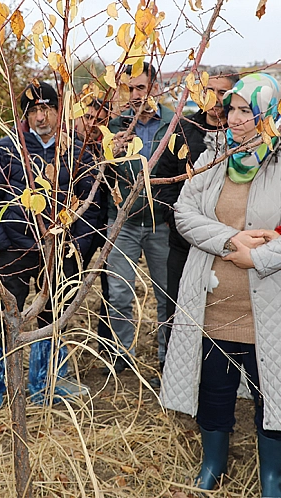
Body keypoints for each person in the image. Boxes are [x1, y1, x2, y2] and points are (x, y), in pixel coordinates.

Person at [160, 73, 281, 496]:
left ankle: (272, 476)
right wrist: (228, 239)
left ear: (271, 115)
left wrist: (258, 257)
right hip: (213, 305)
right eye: (231, 108)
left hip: (275, 309)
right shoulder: (213, 157)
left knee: (271, 395)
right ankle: (213, 463)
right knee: (213, 391)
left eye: (245, 111)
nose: (233, 118)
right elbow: (184, 213)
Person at [0, 80, 100, 415]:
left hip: (61, 250)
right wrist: (1, 243)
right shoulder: (7, 148)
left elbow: (91, 203)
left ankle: (47, 384)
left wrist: (77, 247)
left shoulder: (78, 150)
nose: (40, 117)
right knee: (4, 316)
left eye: (46, 108)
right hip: (15, 249)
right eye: (33, 110)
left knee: (55, 317)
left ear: (59, 111)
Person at [153, 66, 239, 375]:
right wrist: (175, 218)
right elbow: (160, 180)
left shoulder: (243, 134)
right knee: (176, 306)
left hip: (230, 246)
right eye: (210, 91)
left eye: (224, 92)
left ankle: (223, 373)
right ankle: (175, 369)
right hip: (184, 242)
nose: (216, 100)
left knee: (224, 311)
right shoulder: (183, 130)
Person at [106, 62, 174, 372]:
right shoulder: (116, 125)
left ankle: (167, 358)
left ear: (155, 88)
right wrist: (110, 154)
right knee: (119, 293)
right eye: (129, 88)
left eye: (141, 87)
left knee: (166, 294)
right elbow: (99, 175)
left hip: (161, 224)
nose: (134, 94)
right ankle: (122, 355)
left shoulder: (173, 123)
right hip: (123, 223)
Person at [74, 97, 114, 353]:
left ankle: (107, 343)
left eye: (100, 121)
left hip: (108, 223)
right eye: (88, 118)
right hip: (79, 228)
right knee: (70, 283)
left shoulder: (111, 148)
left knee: (112, 286)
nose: (93, 125)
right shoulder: (68, 148)